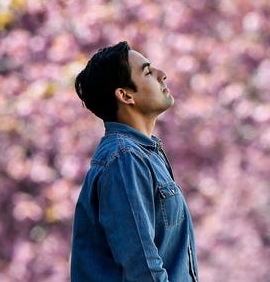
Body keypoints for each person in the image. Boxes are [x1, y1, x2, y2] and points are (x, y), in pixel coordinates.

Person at [71, 41, 200, 282]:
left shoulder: (145, 153)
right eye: (148, 72)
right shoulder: (125, 159)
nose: (162, 75)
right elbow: (142, 267)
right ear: (125, 95)